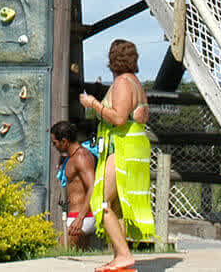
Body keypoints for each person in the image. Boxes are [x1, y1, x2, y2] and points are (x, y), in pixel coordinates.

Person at [78, 40, 154, 271]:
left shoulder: (122, 83)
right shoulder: (136, 82)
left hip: (123, 147)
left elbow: (120, 118)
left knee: (101, 201)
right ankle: (121, 256)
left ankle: (123, 255)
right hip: (134, 146)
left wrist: (93, 104)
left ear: (112, 59)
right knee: (118, 205)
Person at [51, 120, 98, 250]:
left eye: (55, 143)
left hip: (82, 218)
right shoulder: (72, 157)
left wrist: (80, 218)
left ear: (64, 141)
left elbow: (92, 186)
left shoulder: (81, 157)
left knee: (59, 254)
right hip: (77, 216)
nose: (54, 147)